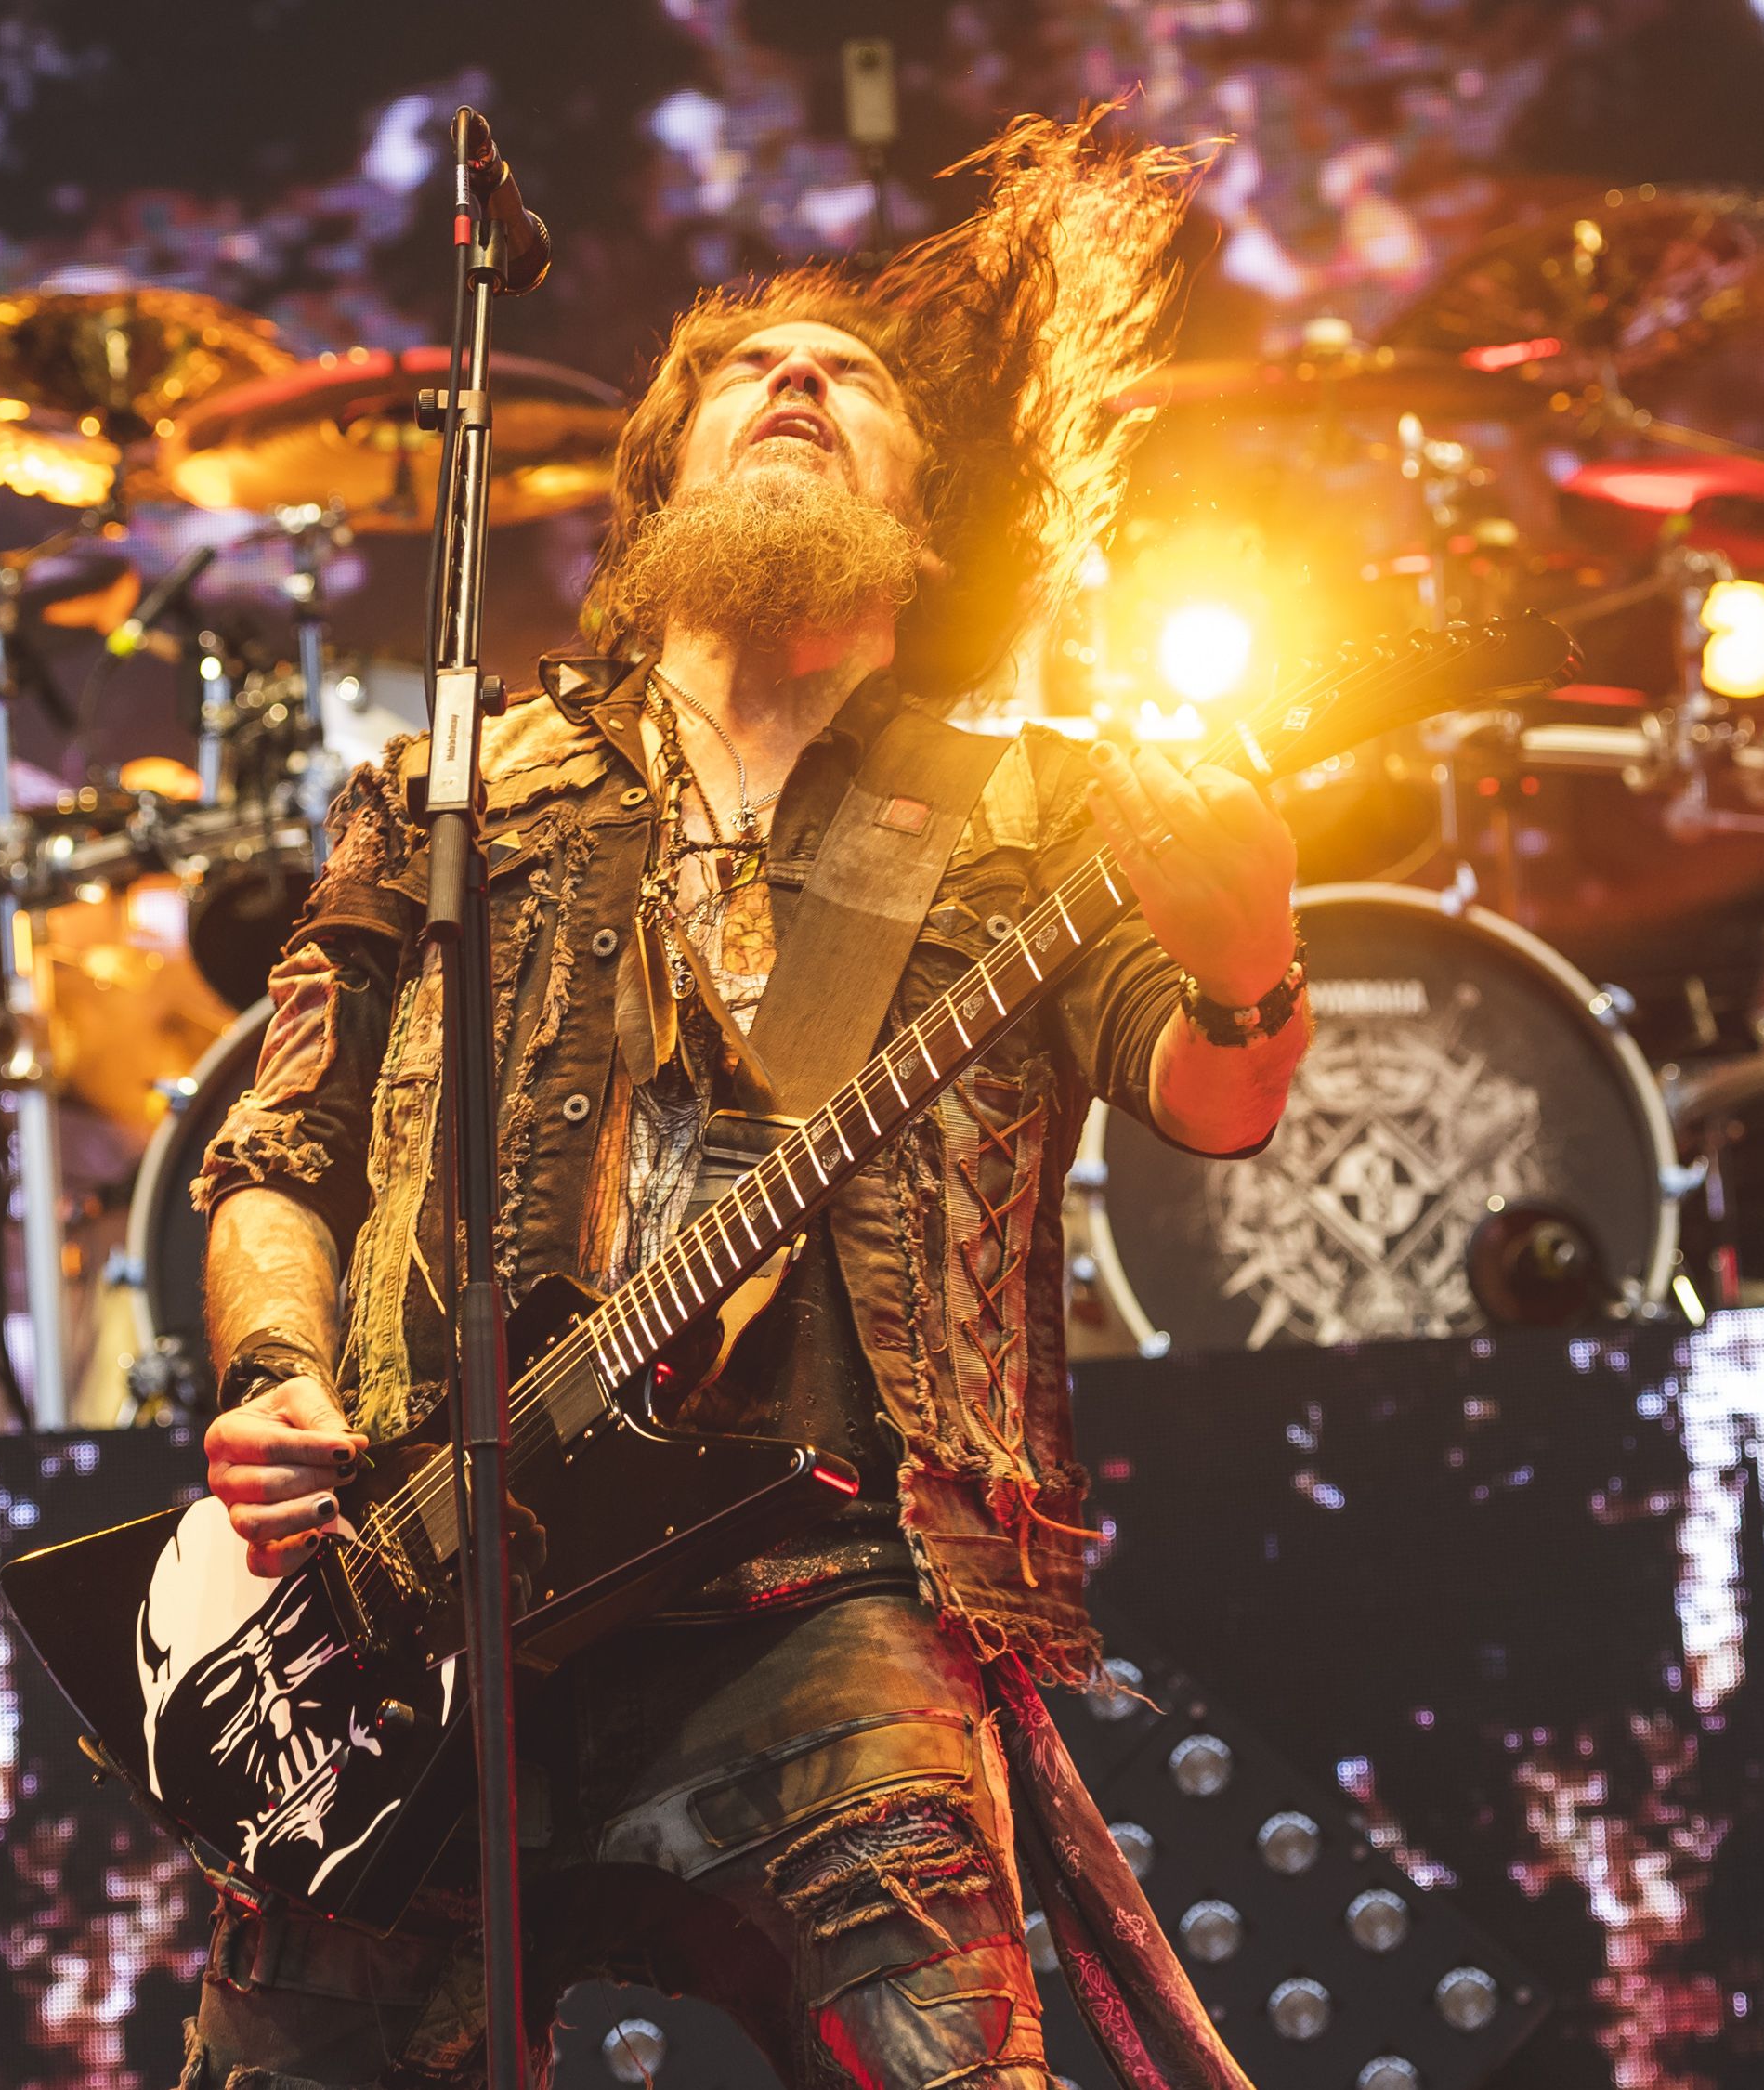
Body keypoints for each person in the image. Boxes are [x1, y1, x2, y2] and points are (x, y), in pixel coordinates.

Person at [183, 113, 1306, 2090]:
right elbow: (276, 1152)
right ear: (655, 491)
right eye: (741, 379)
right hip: (430, 1590)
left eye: (849, 382)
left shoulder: (1025, 809)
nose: (796, 385)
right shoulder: (451, 788)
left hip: (829, 1589)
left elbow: (1212, 1100)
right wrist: (277, 1370)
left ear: (910, 509)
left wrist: (1253, 954)